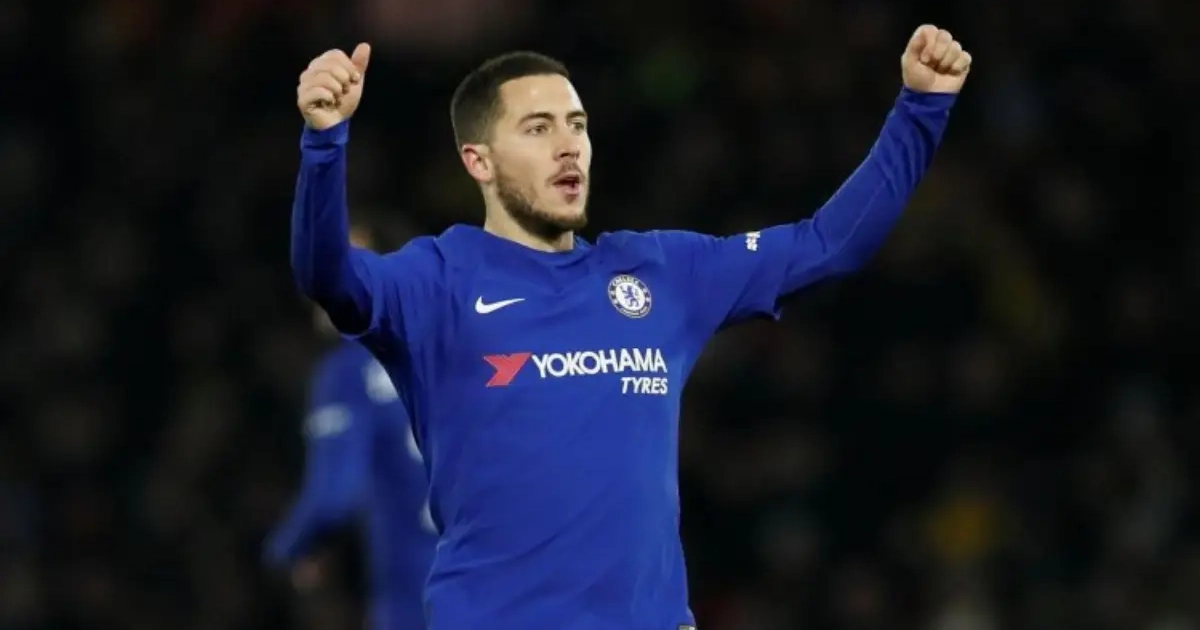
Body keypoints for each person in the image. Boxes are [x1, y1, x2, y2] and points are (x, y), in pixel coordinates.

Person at [290, 25, 971, 630]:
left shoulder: (660, 273)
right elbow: (329, 276)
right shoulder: (436, 282)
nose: (569, 147)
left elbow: (828, 245)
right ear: (479, 161)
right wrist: (325, 143)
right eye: (538, 129)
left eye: (577, 124)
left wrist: (921, 107)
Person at [266, 226, 437, 630]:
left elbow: (335, 495)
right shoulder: (448, 350)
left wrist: (289, 548)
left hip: (418, 602)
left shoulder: (346, 374)